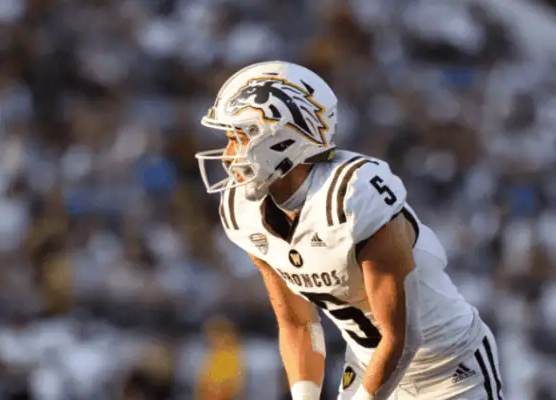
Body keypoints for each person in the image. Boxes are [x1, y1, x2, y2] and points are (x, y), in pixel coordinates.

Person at [195, 61, 503, 400]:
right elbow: (298, 324)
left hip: (448, 369)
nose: (227, 155)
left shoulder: (352, 195)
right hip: (368, 363)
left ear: (282, 138)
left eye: (239, 137)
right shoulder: (243, 211)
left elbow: (402, 336)